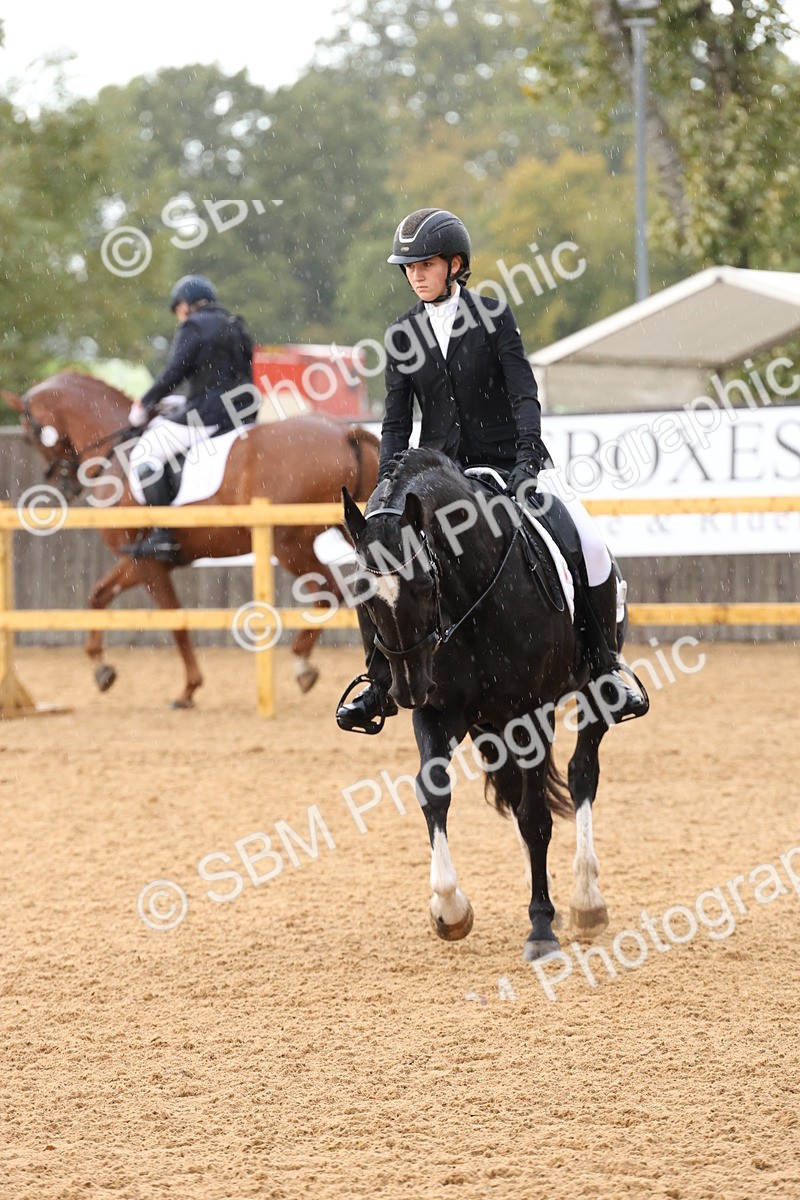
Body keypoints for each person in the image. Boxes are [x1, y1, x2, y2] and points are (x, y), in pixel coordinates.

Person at [336, 207, 648, 733]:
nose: (415, 274)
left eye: (426, 264)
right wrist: (388, 487)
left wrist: (528, 456)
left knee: (588, 543)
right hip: (439, 483)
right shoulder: (400, 334)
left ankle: (604, 666)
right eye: (408, 266)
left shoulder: (493, 315)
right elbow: (395, 421)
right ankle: (378, 683)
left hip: (508, 467)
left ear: (455, 265)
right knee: (381, 566)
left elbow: (524, 393)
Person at [121, 274, 256, 563]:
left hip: (209, 414)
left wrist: (145, 403)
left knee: (147, 451)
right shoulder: (235, 324)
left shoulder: (194, 325)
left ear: (188, 305)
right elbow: (230, 377)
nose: (178, 315)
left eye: (179, 309)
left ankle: (162, 534)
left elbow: (174, 372)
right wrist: (185, 401)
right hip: (242, 412)